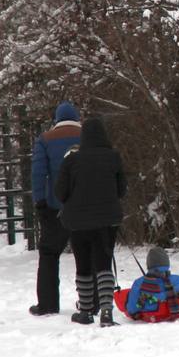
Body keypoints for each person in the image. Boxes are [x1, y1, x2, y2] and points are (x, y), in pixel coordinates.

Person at [55, 116, 126, 326]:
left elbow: (60, 192)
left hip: (77, 221)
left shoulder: (71, 160)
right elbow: (122, 190)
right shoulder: (113, 158)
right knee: (104, 264)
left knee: (82, 265)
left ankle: (85, 311)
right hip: (107, 220)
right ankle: (106, 312)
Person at [29, 101, 81, 316]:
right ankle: (91, 300)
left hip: (55, 206)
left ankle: (48, 304)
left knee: (49, 254)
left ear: (56, 119)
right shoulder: (88, 136)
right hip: (84, 205)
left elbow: (38, 173)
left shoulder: (46, 139)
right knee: (86, 254)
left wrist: (40, 201)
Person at [114, 247, 179, 323]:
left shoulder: (140, 283)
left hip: (152, 316)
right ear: (167, 263)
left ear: (149, 264)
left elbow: (132, 309)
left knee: (127, 295)